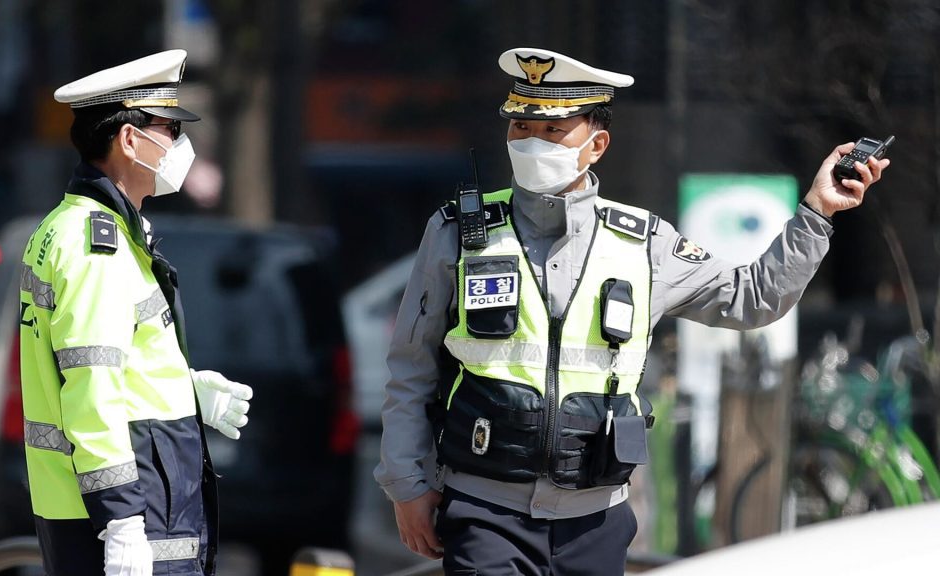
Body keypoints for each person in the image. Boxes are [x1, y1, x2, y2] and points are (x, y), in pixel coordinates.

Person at [374, 47, 889, 575]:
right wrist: (406, 484)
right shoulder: (459, 232)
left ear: (596, 145)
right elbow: (411, 366)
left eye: (552, 131)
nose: (532, 142)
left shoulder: (644, 244)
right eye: (521, 127)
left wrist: (817, 212)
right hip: (485, 509)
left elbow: (753, 296)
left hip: (595, 520)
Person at [19, 49, 253, 576]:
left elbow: (108, 363)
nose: (178, 145)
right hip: (128, 516)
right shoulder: (95, 246)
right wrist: (122, 522)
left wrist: (183, 391)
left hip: (100, 505)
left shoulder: (75, 228)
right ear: (129, 139)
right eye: (170, 129)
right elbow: (92, 385)